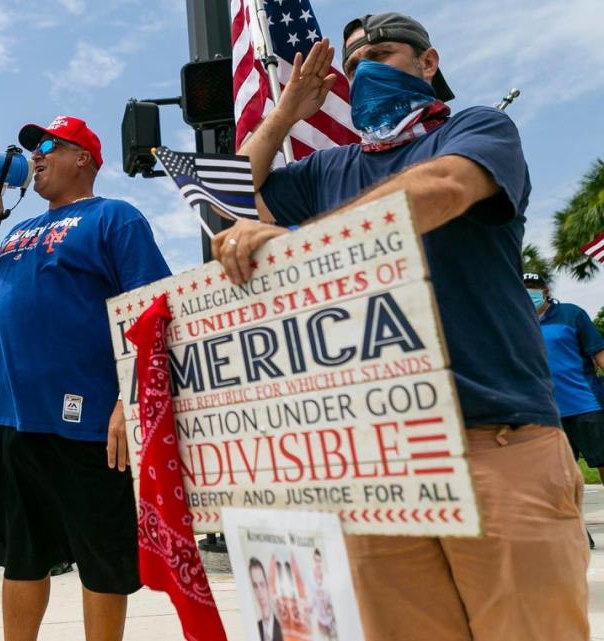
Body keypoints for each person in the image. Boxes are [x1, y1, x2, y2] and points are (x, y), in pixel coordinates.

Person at [212, 14, 587, 641]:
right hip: (379, 460)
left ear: (428, 63)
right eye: (354, 66)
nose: (364, 74)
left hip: (494, 437)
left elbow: (442, 189)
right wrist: (282, 114)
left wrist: (301, 245)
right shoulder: (328, 170)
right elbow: (225, 201)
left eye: (382, 55)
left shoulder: (474, 129)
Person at [0, 115, 171, 641]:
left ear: (83, 157)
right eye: (34, 149)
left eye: (49, 146)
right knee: (22, 559)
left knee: (100, 558)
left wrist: (128, 402)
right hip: (11, 419)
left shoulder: (114, 218)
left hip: (86, 419)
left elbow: (152, 310)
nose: (35, 157)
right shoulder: (16, 232)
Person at [527, 273, 604, 478]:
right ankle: (568, 511)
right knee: (557, 474)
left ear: (546, 291)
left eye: (533, 287)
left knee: (602, 461)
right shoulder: (518, 323)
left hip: (586, 406)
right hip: (546, 412)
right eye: (523, 287)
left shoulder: (571, 314)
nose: (529, 292)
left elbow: (599, 354)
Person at [250, 557, 283, 641]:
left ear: (268, 585)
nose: (259, 592)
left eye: (262, 584)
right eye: (255, 586)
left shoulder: (283, 629)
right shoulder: (254, 628)